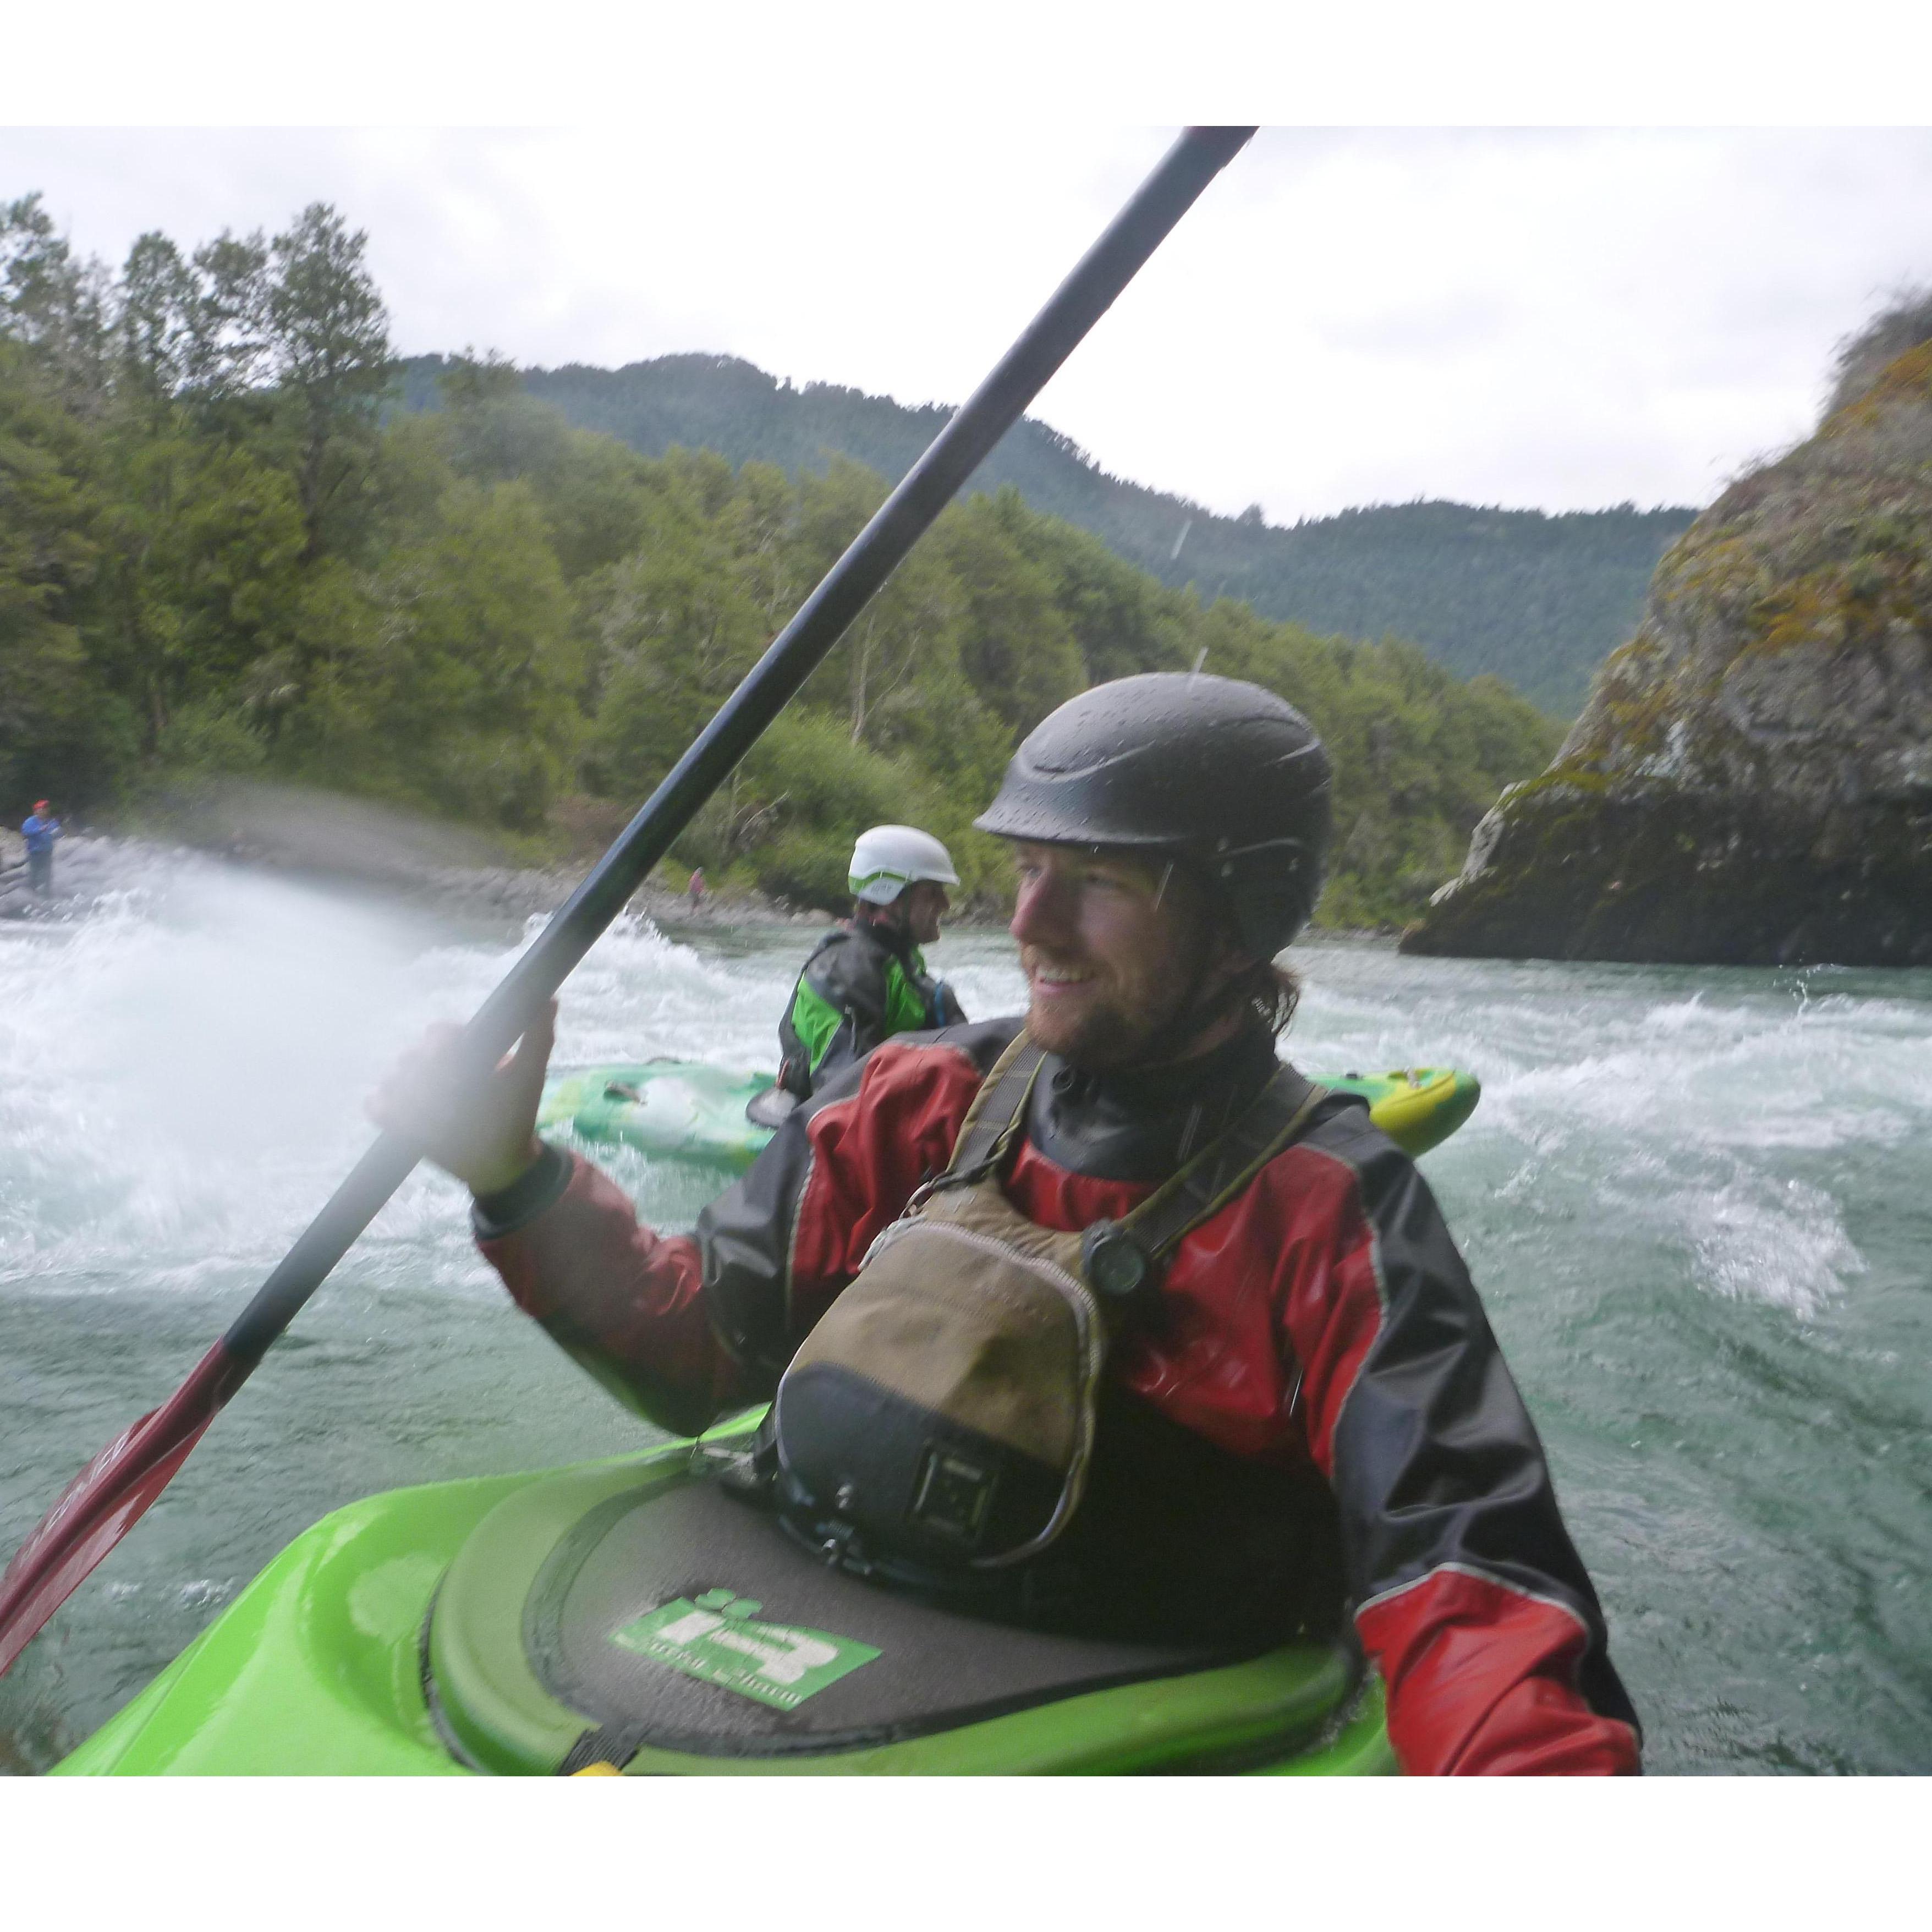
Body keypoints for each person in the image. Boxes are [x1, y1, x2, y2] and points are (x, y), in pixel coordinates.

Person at [372, 673, 1640, 1775]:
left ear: (1238, 919)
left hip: (1119, 1693)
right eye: (1028, 867)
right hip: (793, 1608)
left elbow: (1466, 1583)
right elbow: (694, 1340)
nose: (1027, 922)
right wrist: (515, 1177)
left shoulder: (1328, 1207)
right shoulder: (912, 1098)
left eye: (1094, 880)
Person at [772, 824, 967, 1101]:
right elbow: (844, 1096)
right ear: (889, 895)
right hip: (818, 1120)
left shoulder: (896, 960)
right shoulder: (845, 972)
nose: (946, 904)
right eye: (934, 892)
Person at [21, 800, 61, 897]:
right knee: (34, 873)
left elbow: (58, 832)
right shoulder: (30, 821)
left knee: (47, 873)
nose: (45, 811)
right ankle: (32, 894)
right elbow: (26, 832)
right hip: (35, 852)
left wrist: (57, 833)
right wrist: (39, 830)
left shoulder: (51, 821)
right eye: (42, 809)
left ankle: (47, 894)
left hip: (47, 852)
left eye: (46, 809)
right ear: (36, 811)